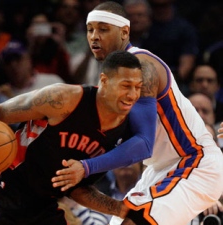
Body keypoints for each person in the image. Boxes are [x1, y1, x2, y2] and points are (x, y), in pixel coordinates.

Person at [51, 2, 223, 225]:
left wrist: (86, 167)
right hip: (159, 169)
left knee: (135, 221)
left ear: (124, 32)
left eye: (103, 29)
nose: (94, 37)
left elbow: (143, 144)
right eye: (90, 29)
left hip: (195, 162)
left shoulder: (141, 65)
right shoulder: (109, 79)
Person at [0, 50, 144, 225]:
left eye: (138, 87)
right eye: (125, 86)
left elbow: (77, 188)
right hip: (1, 188)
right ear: (104, 81)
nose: (132, 94)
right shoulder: (64, 99)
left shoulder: (123, 132)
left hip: (43, 203)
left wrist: (120, 209)